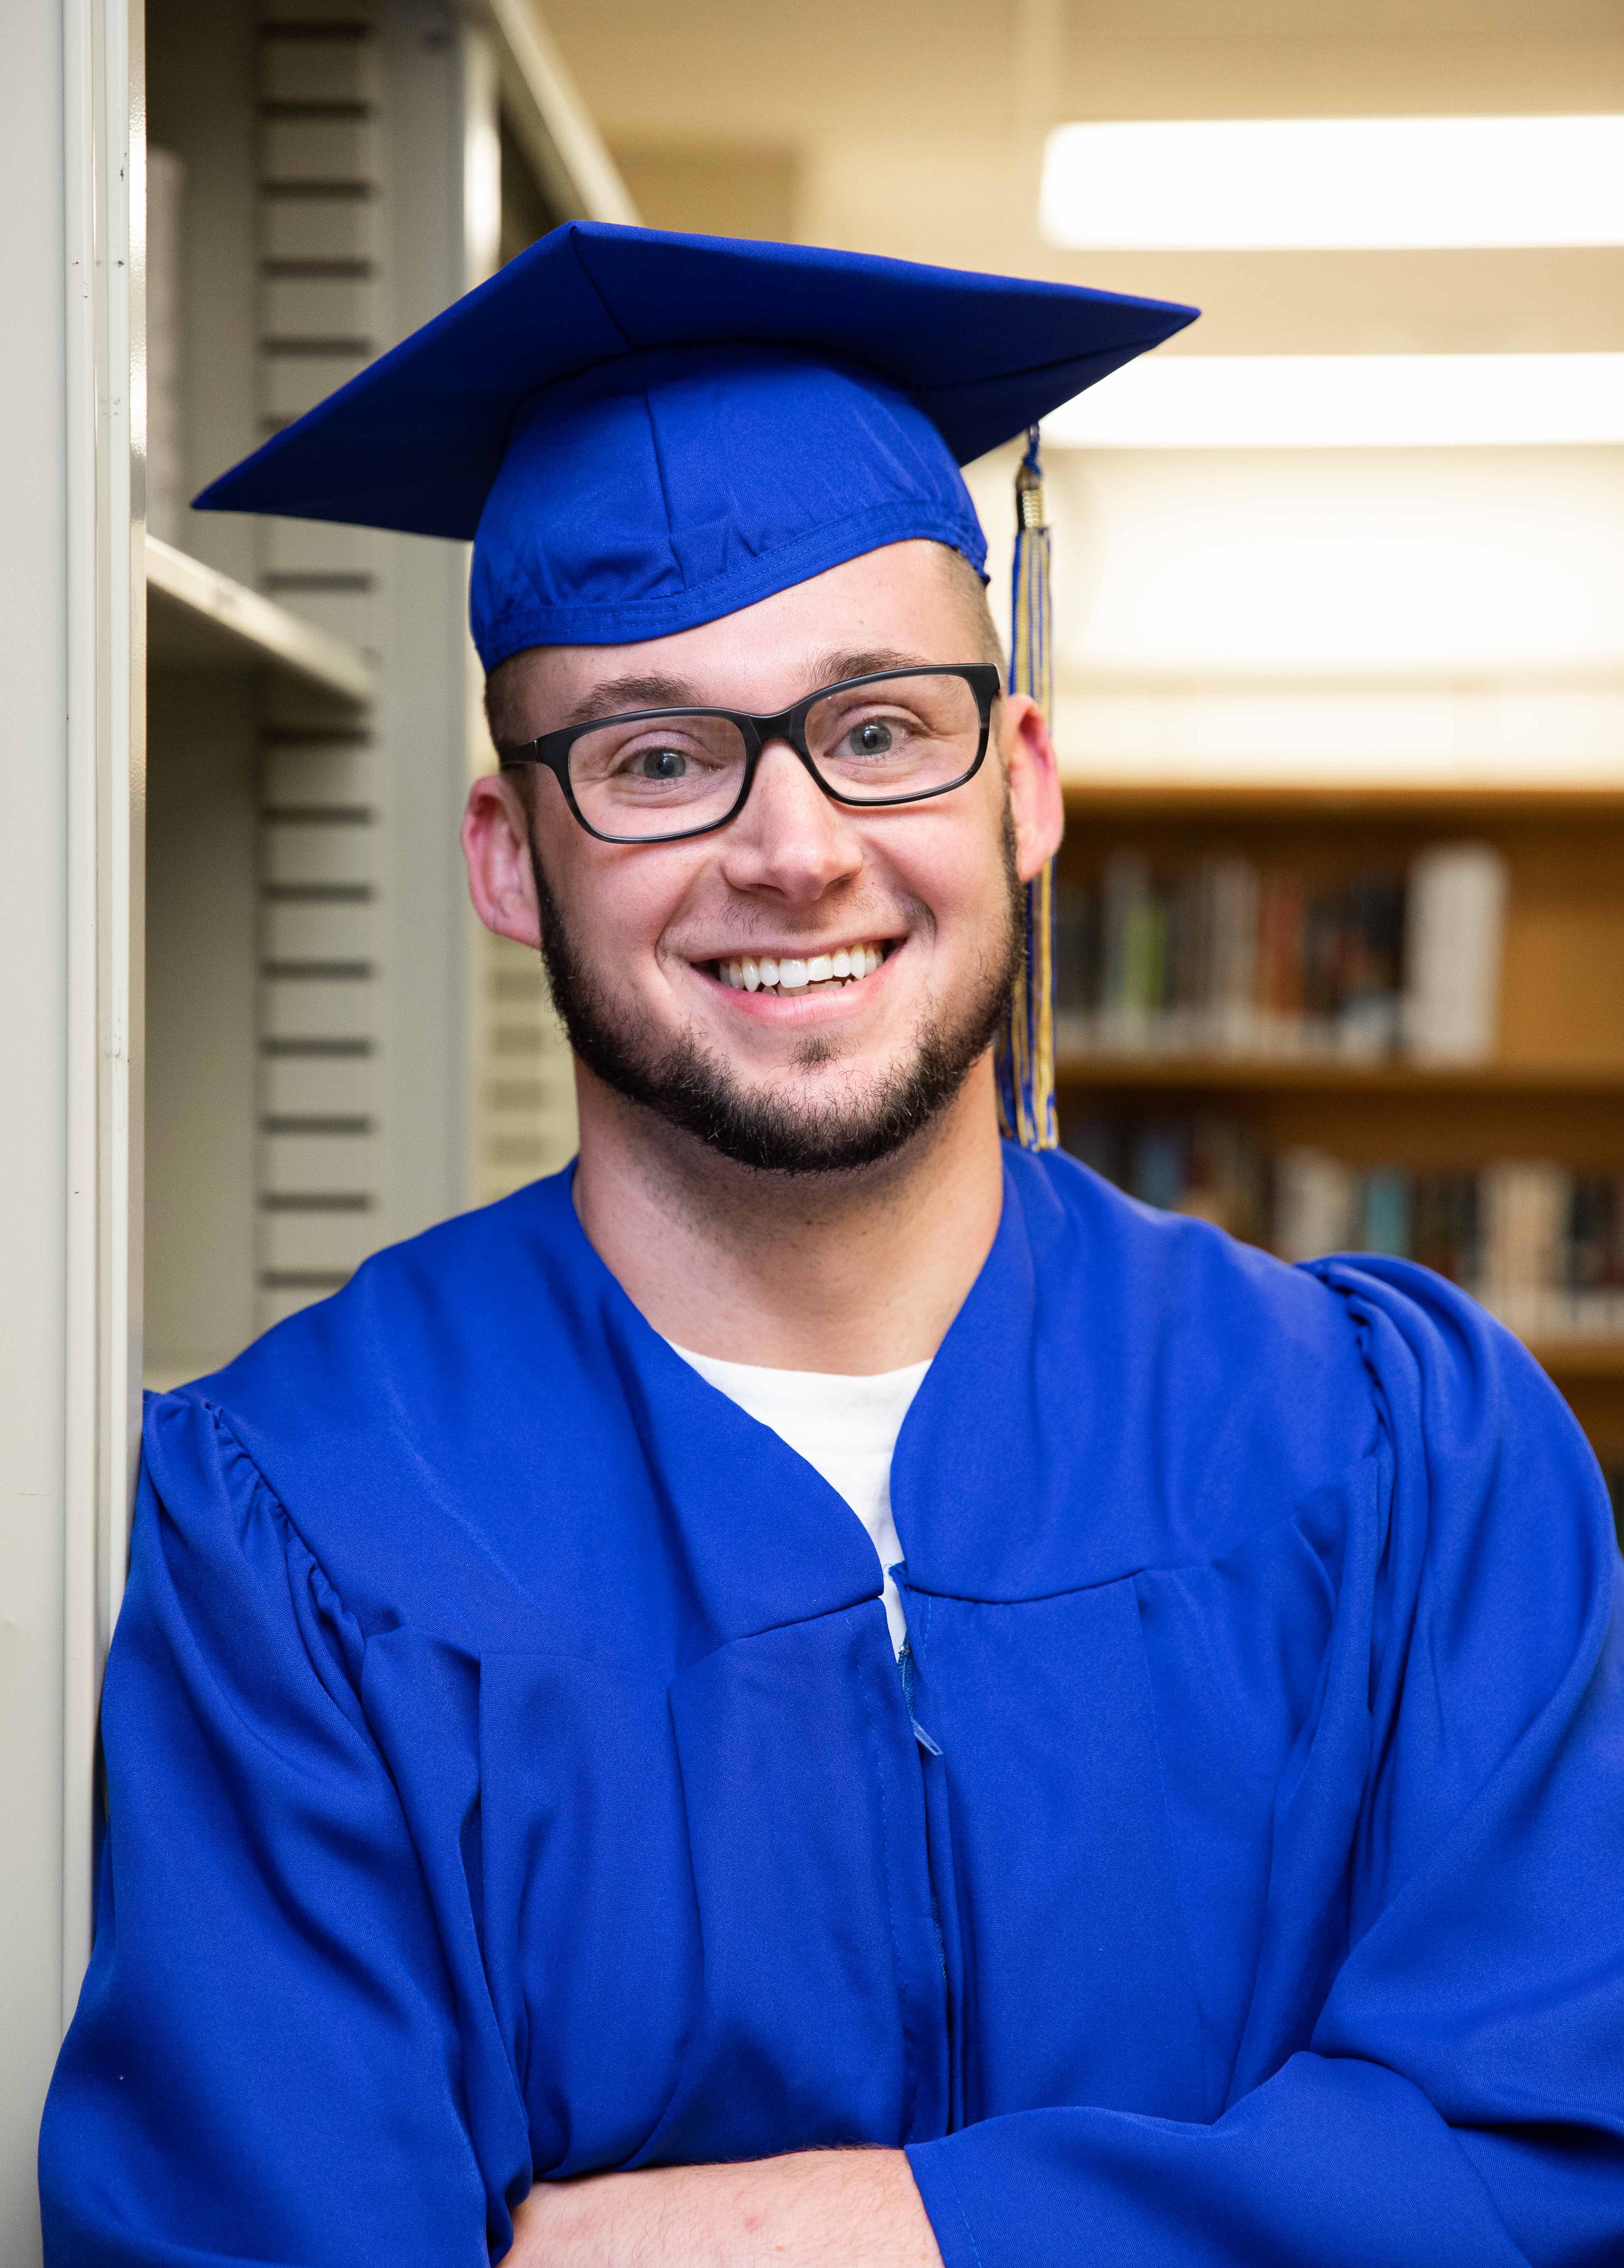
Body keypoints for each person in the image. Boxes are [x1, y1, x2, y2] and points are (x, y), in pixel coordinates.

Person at [40, 224, 1624, 2268]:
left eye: (878, 726)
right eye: (657, 757)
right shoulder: (301, 1531)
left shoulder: (1403, 1456)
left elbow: (1562, 2153)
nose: (791, 844)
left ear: (1023, 786)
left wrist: (887, 2228)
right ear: (509, 859)